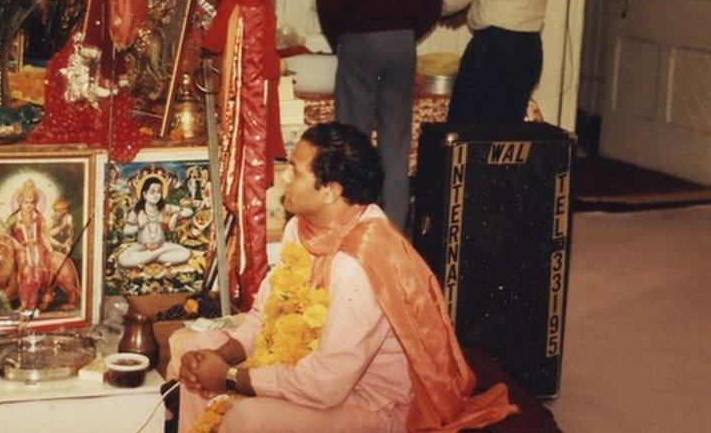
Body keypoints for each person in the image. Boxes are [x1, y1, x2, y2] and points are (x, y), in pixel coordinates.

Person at [169, 122, 515, 432]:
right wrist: (219, 360)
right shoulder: (300, 228)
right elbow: (265, 318)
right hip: (312, 374)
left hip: (372, 403)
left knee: (247, 418)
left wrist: (229, 378)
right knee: (191, 351)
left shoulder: (363, 259)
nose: (283, 178)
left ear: (331, 190)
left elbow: (326, 385)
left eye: (295, 170)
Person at [315, 0, 443, 232]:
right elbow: (434, 1)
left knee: (352, 145)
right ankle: (393, 235)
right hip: (403, 43)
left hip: (357, 42)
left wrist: (338, 39)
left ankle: (352, 232)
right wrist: (407, 35)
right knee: (396, 145)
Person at [117, 176, 193, 268]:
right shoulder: (137, 211)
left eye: (159, 192)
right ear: (145, 194)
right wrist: (139, 226)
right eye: (152, 192)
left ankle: (149, 258)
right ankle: (157, 257)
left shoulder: (164, 208)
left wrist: (176, 215)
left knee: (186, 253)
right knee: (123, 259)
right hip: (142, 248)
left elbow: (189, 212)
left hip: (162, 246)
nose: (156, 195)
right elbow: (126, 231)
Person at [6, 179, 55, 310]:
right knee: (26, 275)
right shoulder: (13, 218)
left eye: (32, 203)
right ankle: (24, 304)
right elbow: (7, 236)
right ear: (20, 203)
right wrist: (15, 243)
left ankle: (32, 305)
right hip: (21, 250)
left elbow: (43, 235)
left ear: (35, 204)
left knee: (37, 276)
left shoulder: (39, 218)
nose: (29, 205)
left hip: (37, 250)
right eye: (25, 202)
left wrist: (50, 249)